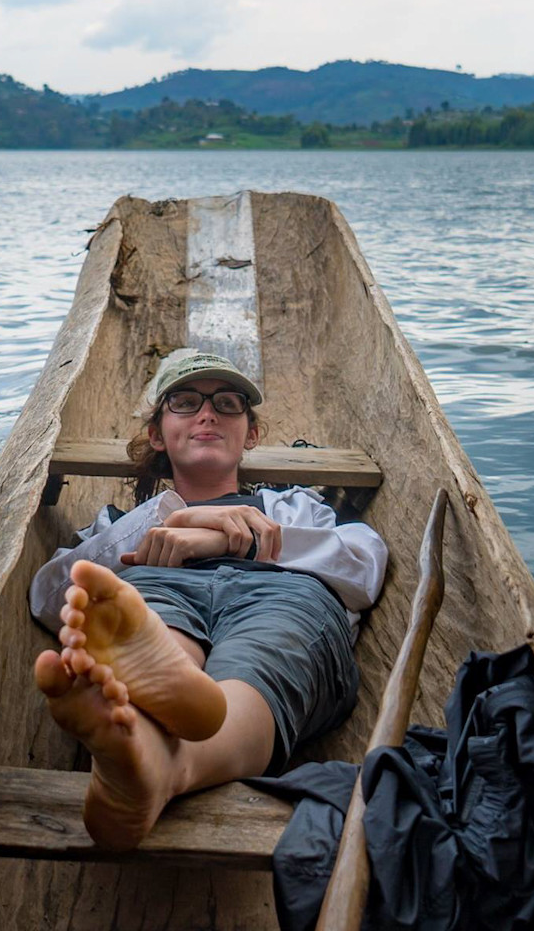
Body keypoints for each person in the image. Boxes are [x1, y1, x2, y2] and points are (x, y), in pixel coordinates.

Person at [29, 349, 388, 850]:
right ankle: (158, 737)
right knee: (156, 635)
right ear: (158, 434)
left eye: (227, 403)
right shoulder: (119, 523)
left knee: (262, 659)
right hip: (159, 586)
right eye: (184, 401)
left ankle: (159, 760)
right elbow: (47, 593)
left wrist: (235, 538)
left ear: (251, 435)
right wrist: (170, 520)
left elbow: (365, 562)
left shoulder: (294, 505)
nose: (207, 413)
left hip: (279, 592)